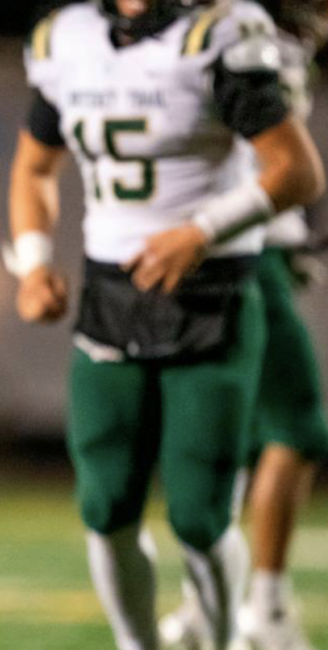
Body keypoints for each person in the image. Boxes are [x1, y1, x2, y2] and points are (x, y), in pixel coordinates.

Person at [8, 1, 324, 649]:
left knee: (201, 515)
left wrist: (201, 234)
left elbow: (298, 170)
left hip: (212, 293)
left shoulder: (215, 37)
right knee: (105, 506)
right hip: (110, 295)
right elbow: (35, 167)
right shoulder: (66, 39)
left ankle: (230, 632)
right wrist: (34, 263)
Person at [157, 2, 328, 649]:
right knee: (298, 426)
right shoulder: (246, 29)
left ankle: (206, 604)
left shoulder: (251, 28)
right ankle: (266, 607)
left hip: (244, 245)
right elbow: (259, 150)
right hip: (245, 245)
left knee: (225, 437)